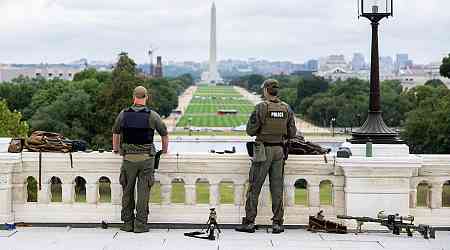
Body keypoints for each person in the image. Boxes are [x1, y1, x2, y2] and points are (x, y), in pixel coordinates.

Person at [235, 79, 297, 234]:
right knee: (277, 189)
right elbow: (292, 133)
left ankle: (249, 222)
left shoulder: (262, 107)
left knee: (254, 187)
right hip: (279, 151)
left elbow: (250, 130)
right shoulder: (286, 108)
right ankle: (277, 223)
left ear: (265, 91)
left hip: (263, 151)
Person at [112, 86, 169, 233]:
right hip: (146, 160)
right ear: (146, 97)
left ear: (133, 97)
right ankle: (140, 225)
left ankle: (127, 223)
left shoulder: (123, 114)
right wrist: (165, 151)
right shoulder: (152, 115)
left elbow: (116, 132)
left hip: (128, 160)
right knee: (143, 194)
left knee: (127, 192)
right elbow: (164, 133)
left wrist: (116, 149)